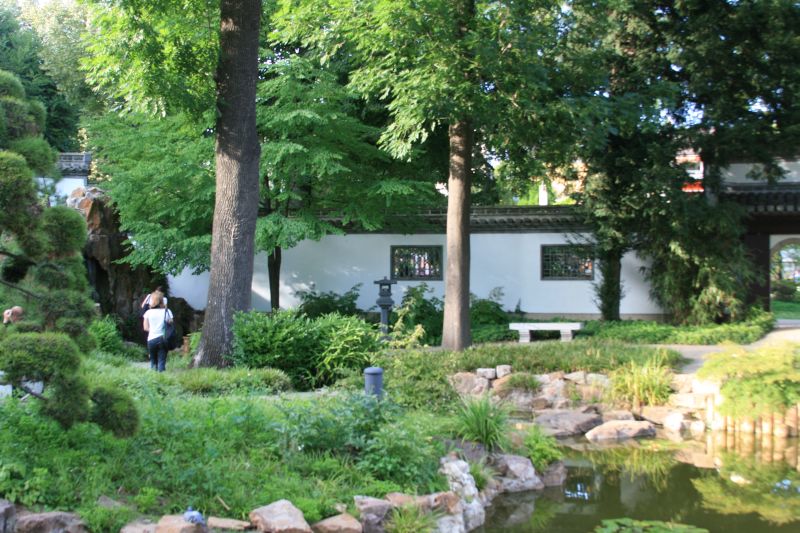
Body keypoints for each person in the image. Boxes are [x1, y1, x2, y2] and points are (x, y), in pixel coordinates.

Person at [142, 292, 173, 372]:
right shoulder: (167, 311)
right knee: (161, 361)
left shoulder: (148, 313)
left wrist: (153, 330)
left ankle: (153, 380)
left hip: (151, 339)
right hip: (163, 339)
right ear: (162, 301)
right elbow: (170, 324)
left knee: (153, 362)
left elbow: (145, 328)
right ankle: (162, 379)